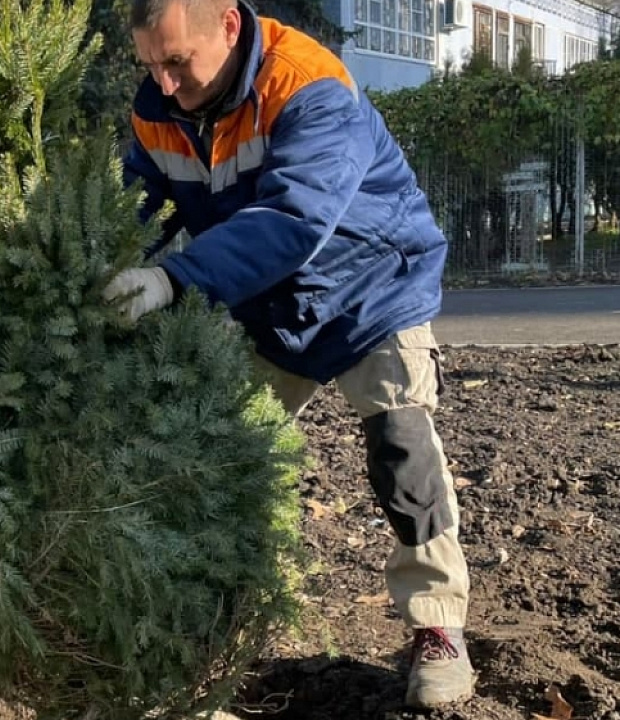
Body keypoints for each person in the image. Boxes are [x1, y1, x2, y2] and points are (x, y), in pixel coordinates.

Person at [103, 0, 473, 708]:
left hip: (372, 289)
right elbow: (136, 208)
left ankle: (438, 628)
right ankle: (212, 621)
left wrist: (171, 279)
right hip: (268, 306)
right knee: (214, 449)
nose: (165, 81)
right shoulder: (159, 108)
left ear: (229, 25)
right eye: (150, 63)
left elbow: (293, 219)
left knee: (402, 445)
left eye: (177, 61)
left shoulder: (308, 84)